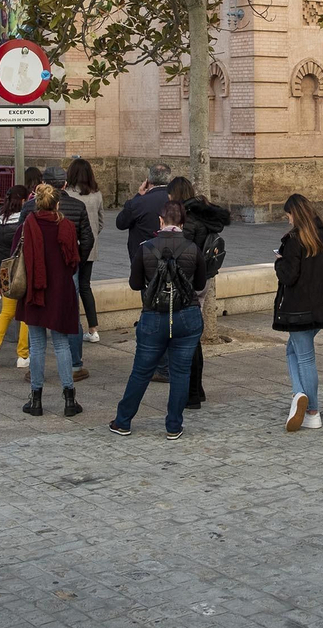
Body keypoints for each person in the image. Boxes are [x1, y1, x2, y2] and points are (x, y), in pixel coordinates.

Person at [110, 200, 206, 440]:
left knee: (141, 371)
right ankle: (173, 425)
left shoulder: (146, 248)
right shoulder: (193, 248)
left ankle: (123, 421)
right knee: (181, 372)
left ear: (160, 221)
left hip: (154, 315)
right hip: (187, 315)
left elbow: (134, 284)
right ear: (182, 224)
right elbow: (200, 285)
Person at [273, 193, 323, 431]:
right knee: (292, 349)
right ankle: (300, 395)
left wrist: (279, 262)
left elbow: (289, 276)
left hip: (300, 308)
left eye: (289, 215)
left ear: (296, 214)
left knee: (305, 356)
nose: (288, 220)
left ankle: (310, 408)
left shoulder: (296, 240)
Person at [16, 183, 82, 417]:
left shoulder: (28, 225)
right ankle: (69, 399)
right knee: (62, 344)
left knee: (36, 345)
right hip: (60, 291)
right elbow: (74, 261)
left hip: (35, 290)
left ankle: (35, 399)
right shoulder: (66, 226)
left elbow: (15, 253)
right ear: (57, 204)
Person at [177, 180, 231, 410]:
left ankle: (192, 393)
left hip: (189, 280)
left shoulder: (189, 220)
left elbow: (181, 250)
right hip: (204, 278)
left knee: (189, 338)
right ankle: (196, 390)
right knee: (193, 334)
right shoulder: (205, 215)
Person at [43, 165, 96, 382]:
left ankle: (32, 363)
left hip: (41, 266)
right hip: (68, 266)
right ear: (65, 184)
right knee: (71, 312)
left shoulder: (31, 207)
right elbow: (88, 238)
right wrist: (77, 260)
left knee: (36, 315)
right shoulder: (77, 205)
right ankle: (75, 364)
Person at [0, 184, 32, 370]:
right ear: (24, 200)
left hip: (4, 273)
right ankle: (22, 355)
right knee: (26, 315)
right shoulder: (24, 222)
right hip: (23, 272)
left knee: (6, 313)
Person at [65, 158, 105, 343]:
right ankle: (93, 328)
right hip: (90, 247)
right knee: (85, 286)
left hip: (70, 248)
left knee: (70, 287)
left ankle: (71, 326)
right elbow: (101, 221)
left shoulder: (67, 194)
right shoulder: (96, 194)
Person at [115, 163, 172, 259]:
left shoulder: (138, 202)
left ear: (148, 180)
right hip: (171, 254)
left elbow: (121, 223)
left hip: (143, 255)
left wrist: (138, 195)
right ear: (169, 180)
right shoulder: (176, 199)